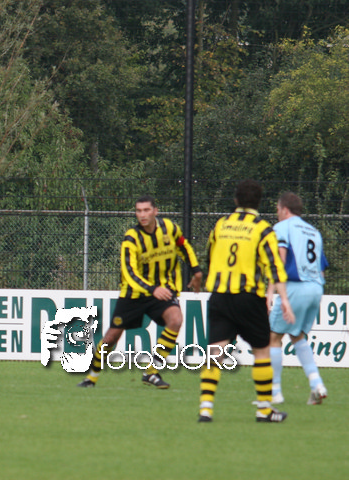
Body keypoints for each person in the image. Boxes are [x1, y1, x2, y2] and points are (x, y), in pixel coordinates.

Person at [78, 195, 203, 390]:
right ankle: (91, 378)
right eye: (139, 211)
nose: (142, 215)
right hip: (134, 294)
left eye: (146, 210)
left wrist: (196, 271)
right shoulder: (132, 238)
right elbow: (129, 272)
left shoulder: (170, 228)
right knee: (111, 338)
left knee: (176, 320)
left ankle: (151, 371)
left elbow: (183, 246)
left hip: (162, 290)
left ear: (155, 211)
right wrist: (153, 289)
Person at [198, 179, 295, 423]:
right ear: (260, 202)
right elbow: (275, 267)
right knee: (261, 351)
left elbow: (209, 256)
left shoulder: (221, 224)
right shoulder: (263, 229)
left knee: (215, 352)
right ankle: (264, 410)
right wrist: (284, 299)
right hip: (249, 298)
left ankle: (205, 409)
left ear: (235, 200)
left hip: (220, 296)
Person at [269, 192, 328, 405]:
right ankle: (317, 384)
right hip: (316, 288)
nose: (277, 214)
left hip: (295, 287)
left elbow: (279, 261)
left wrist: (271, 291)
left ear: (285, 209)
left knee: (273, 337)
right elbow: (322, 268)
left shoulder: (282, 228)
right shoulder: (314, 232)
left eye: (277, 210)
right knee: (297, 336)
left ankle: (274, 392)